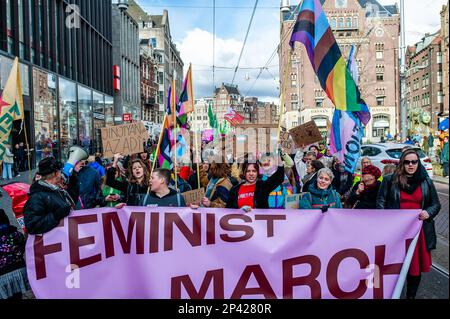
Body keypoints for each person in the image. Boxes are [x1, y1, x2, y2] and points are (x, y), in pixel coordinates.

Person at [377, 149, 441, 299]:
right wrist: (388, 221)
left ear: (418, 163)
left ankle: (410, 296)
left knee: (414, 268)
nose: (411, 165)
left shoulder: (425, 181)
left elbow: (436, 204)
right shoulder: (389, 180)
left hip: (419, 234)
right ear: (402, 163)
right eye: (407, 162)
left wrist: (428, 213)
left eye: (414, 162)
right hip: (396, 233)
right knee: (394, 267)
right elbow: (380, 203)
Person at [23, 157, 74, 234]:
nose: (61, 174)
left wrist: (74, 180)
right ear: (56, 173)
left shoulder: (54, 189)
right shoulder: (37, 197)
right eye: (60, 172)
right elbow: (32, 226)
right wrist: (56, 215)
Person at [0, 209, 30, 299]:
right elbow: (23, 248)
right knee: (18, 296)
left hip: (1, 276)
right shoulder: (16, 234)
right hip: (19, 271)